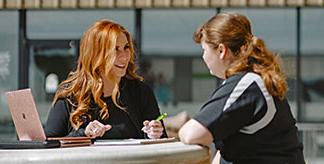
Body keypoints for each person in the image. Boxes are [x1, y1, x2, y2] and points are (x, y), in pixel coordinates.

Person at [178, 13, 305, 164]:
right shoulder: (254, 80)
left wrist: (181, 129)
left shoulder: (247, 85)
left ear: (221, 51)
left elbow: (192, 133)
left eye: (204, 50)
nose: (203, 57)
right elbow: (227, 148)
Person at [45, 19, 167, 139]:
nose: (124, 57)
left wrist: (154, 133)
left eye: (126, 48)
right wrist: (83, 134)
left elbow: (161, 142)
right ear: (96, 55)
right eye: (115, 50)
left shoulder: (140, 92)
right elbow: (47, 144)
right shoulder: (70, 96)